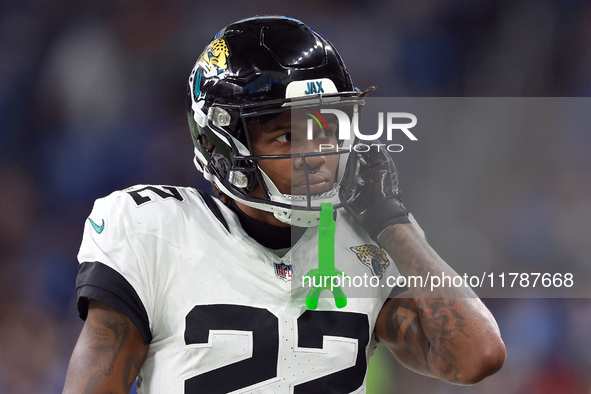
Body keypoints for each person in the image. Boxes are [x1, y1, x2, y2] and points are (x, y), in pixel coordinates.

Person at [62, 16, 506, 394]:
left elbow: (477, 356)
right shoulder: (154, 230)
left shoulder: (361, 245)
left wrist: (391, 220)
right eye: (288, 136)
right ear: (222, 143)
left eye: (327, 131)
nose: (317, 154)